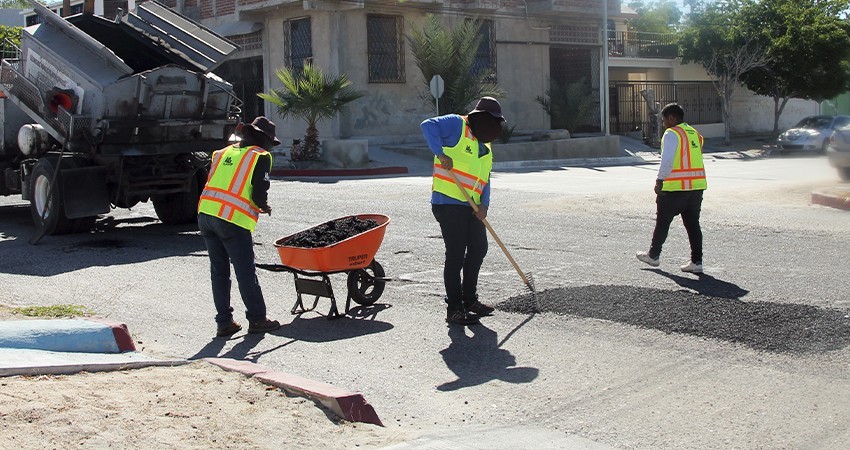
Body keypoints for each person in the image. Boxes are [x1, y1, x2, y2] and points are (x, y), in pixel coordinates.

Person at [421, 97, 505, 325]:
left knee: (478, 249)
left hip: (472, 206)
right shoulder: (458, 124)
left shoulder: (486, 146)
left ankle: (470, 300)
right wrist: (440, 153)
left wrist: (484, 206)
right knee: (456, 254)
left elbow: (485, 179)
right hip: (448, 203)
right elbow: (427, 125)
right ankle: (454, 308)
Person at [198, 116, 282, 337]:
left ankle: (224, 323)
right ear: (262, 138)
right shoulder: (260, 156)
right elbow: (258, 192)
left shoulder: (222, 153)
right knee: (245, 270)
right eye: (270, 141)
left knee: (219, 271)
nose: (270, 146)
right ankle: (257, 319)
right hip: (230, 219)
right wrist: (263, 206)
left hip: (206, 214)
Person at [636, 103, 707, 274]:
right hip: (696, 187)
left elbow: (667, 161)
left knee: (662, 222)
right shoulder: (694, 133)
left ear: (672, 118)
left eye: (664, 120)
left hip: (674, 188)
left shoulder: (672, 133)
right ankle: (697, 261)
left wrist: (659, 181)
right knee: (693, 225)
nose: (663, 124)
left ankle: (653, 256)